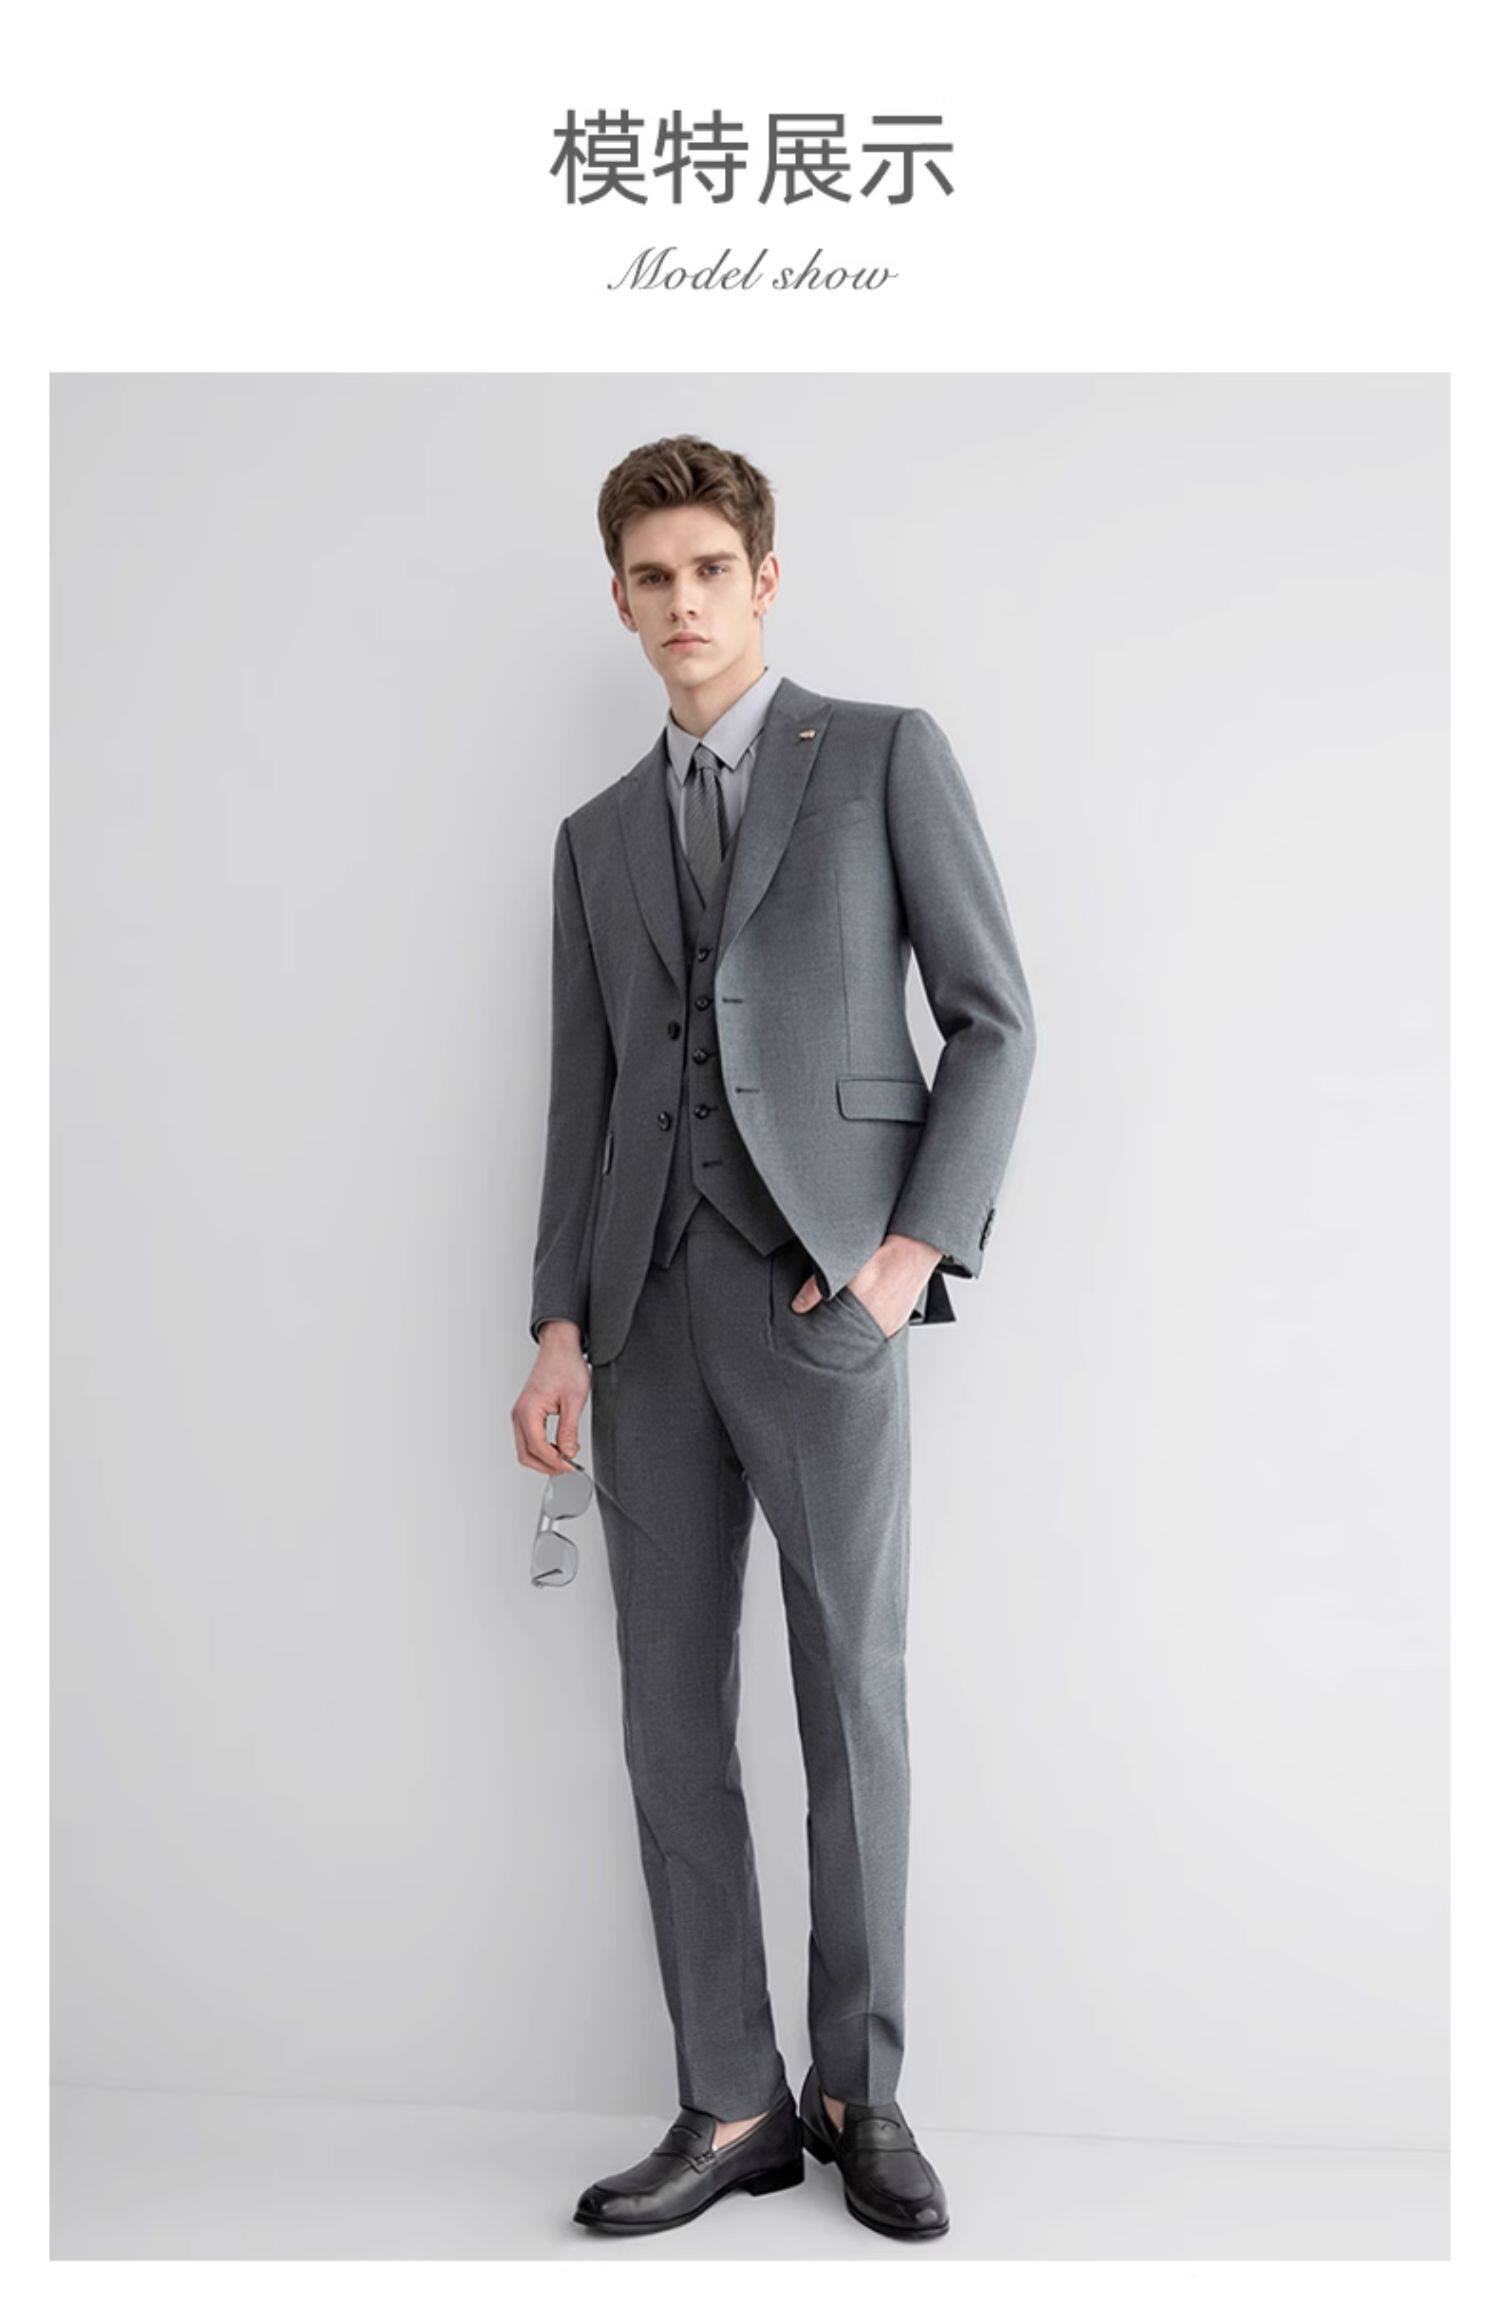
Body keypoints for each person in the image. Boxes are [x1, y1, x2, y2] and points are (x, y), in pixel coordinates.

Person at [511, 434, 1036, 2239]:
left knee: (849, 1699)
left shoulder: (880, 755)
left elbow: (995, 1018)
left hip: (824, 1304)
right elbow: (580, 1099)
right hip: (643, 1322)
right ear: (619, 600)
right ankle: (731, 2099)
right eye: (651, 577)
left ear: (764, 580)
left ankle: (857, 2090)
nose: (683, 603)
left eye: (709, 571)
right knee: (669, 1718)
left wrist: (902, 1262)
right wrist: (558, 1323)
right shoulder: (593, 837)